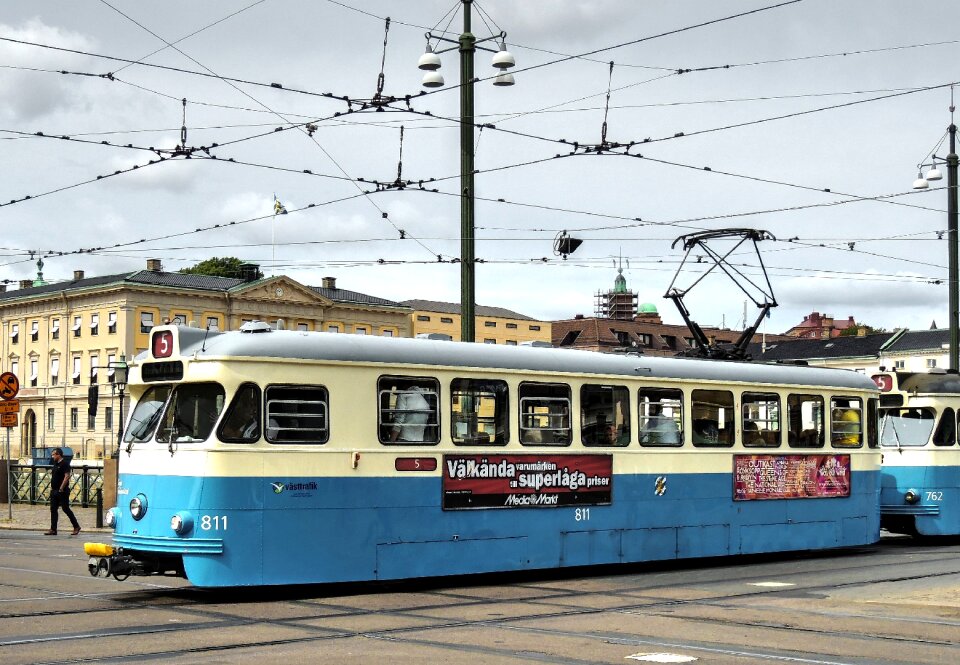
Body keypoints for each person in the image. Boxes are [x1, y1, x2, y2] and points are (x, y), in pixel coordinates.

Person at [46, 448, 80, 536]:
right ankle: (53, 529)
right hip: (54, 490)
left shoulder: (65, 464)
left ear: (58, 455)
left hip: (62, 491)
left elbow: (67, 476)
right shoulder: (55, 464)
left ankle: (76, 526)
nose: (52, 456)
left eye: (54, 455)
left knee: (65, 509)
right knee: (53, 509)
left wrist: (61, 488)